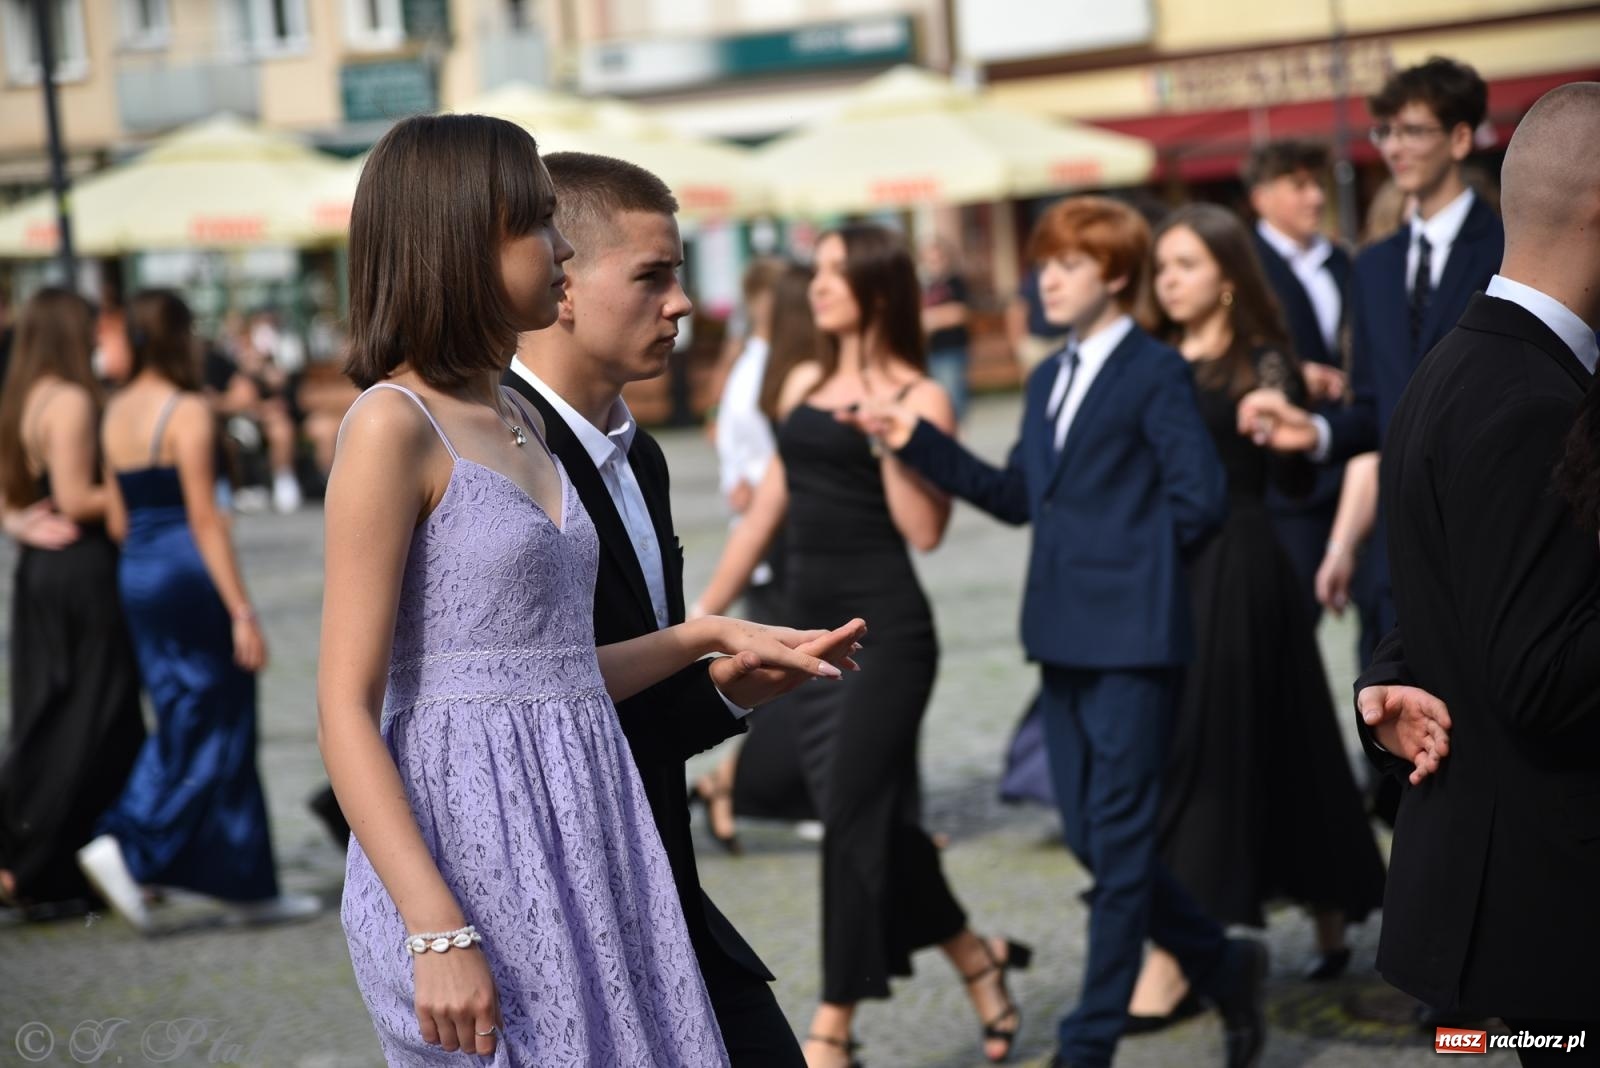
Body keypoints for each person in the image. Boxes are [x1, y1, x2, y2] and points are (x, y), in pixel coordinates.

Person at [321, 124, 860, 1066]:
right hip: (475, 849)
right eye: (536, 224)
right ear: (460, 242)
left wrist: (712, 639)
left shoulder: (516, 415)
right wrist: (434, 926)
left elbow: (549, 676)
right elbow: (344, 706)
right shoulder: (389, 424)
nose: (560, 248)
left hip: (590, 829)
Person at [845, 197, 1268, 1068]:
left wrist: (1125, 567)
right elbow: (1014, 496)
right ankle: (1225, 965)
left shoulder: (1153, 371)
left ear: (1114, 274)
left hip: (1134, 642)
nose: (1048, 278)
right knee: (1087, 834)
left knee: (1117, 852)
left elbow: (1203, 501)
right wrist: (912, 437)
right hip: (1060, 636)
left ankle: (1086, 1045)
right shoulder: (1048, 379)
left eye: (1067, 264)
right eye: (1044, 264)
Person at [500, 152, 867, 1068]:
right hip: (561, 922)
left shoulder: (641, 455)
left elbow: (621, 715)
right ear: (562, 284)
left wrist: (731, 690)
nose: (682, 304)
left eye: (680, 273)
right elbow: (521, 723)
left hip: (662, 892)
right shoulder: (497, 455)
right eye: (652, 276)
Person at [697, 223, 1033, 1068]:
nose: (821, 285)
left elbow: (924, 531)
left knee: (851, 813)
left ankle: (831, 1030)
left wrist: (890, 434)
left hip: (884, 636)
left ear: (879, 288)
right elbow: (768, 505)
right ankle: (976, 956)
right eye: (822, 271)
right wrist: (698, 621)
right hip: (802, 631)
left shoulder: (924, 394)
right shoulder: (805, 376)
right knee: (850, 809)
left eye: (840, 273)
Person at [1351, 83, 1600, 1065]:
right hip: (1553, 910)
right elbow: (1535, 673)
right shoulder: (1525, 397)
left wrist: (1383, 675)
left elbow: (1454, 586)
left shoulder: (1463, 361)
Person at [1129, 205, 1385, 1028]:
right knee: (1217, 744)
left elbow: (1298, 483)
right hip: (1170, 570)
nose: (1168, 279)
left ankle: (1191, 954)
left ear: (1228, 279)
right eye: (1162, 265)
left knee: (1256, 741)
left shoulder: (1263, 359)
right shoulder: (1153, 357)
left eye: (1185, 264)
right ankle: (1224, 928)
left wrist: (1281, 428)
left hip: (1242, 568)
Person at [1239, 56, 1503, 652]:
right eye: (1385, 132)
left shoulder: (1507, 246)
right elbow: (1373, 410)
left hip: (1488, 533)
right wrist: (1312, 432)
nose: (1394, 148)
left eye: (1413, 131)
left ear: (1461, 138)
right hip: (1393, 557)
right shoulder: (1375, 266)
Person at [77, 289, 317, 932]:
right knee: (216, 710)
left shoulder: (115, 408)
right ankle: (131, 839)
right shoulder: (185, 410)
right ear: (179, 337)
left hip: (141, 573)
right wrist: (241, 609)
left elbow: (122, 520)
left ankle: (244, 879)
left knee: (185, 705)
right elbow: (207, 517)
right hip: (188, 568)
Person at [0, 288, 144, 913]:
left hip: (40, 568)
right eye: (89, 326)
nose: (95, 336)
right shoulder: (74, 400)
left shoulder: (24, 395)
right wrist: (144, 489)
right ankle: (38, 858)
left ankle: (47, 858)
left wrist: (14, 520)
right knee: (95, 714)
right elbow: (75, 495)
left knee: (47, 709)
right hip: (80, 567)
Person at [696, 260, 823, 851]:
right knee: (793, 677)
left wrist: (738, 480)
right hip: (781, 536)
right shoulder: (777, 365)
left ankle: (738, 785)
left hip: (767, 527)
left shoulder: (758, 359)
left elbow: (726, 430)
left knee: (795, 675)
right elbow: (745, 439)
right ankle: (731, 781)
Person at [1241, 140, 1351, 621]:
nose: (1315, 198)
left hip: (1353, 457)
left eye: (1317, 185)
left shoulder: (1344, 262)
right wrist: (1292, 376)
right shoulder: (1243, 269)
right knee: (1290, 620)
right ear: (1261, 197)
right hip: (1284, 477)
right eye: (1299, 186)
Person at [921, 237, 973, 420]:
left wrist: (931, 319)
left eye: (938, 259)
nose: (935, 264)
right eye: (930, 259)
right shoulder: (925, 286)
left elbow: (959, 313)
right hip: (930, 350)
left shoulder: (955, 283)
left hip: (951, 349)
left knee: (954, 400)